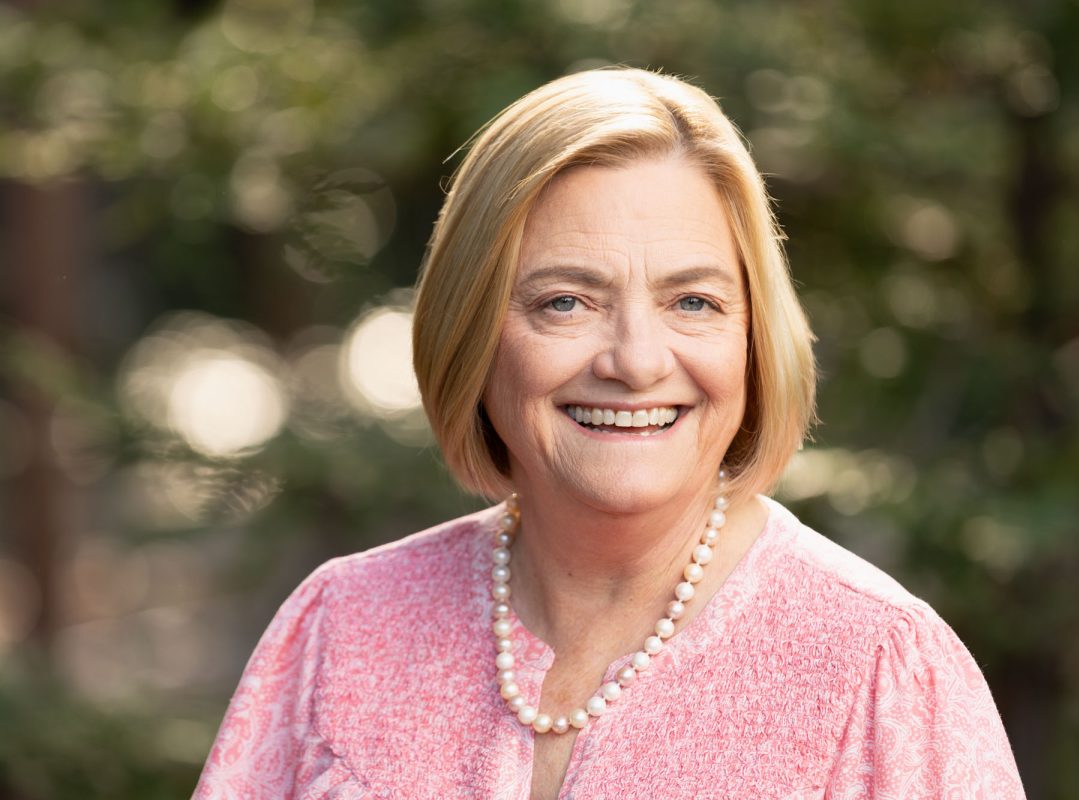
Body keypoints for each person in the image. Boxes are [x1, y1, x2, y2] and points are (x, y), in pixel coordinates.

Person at [194, 68, 1025, 799]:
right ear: (471, 332)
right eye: (567, 301)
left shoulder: (878, 665)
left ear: (752, 338)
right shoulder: (344, 629)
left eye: (691, 302)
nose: (635, 361)